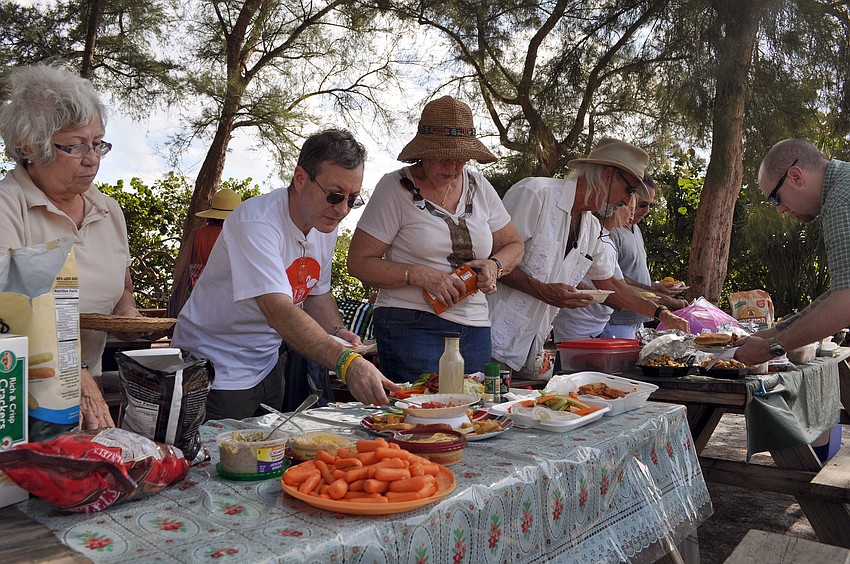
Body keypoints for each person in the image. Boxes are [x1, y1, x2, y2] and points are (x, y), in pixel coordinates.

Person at [172, 129, 401, 419]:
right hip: (218, 366)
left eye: (352, 199)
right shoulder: (257, 222)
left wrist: (338, 331)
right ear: (301, 178)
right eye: (334, 196)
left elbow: (317, 293)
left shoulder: (323, 224)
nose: (342, 210)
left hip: (267, 363)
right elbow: (278, 311)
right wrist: (345, 362)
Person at [0, 63, 139, 429]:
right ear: (29, 146)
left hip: (84, 379)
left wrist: (129, 316)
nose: (92, 158)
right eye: (74, 146)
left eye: (97, 144)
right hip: (15, 393)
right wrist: (72, 371)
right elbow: (9, 314)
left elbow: (122, 284)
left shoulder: (107, 209)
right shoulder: (7, 205)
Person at [347, 96, 524, 383]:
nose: (453, 168)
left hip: (475, 326)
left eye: (461, 159)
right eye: (443, 158)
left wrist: (495, 266)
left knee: (474, 416)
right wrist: (420, 275)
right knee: (423, 414)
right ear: (424, 152)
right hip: (411, 324)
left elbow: (514, 245)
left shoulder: (480, 186)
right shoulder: (394, 188)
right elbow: (358, 262)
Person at [488, 137, 690, 377]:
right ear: (608, 175)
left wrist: (661, 313)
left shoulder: (591, 227)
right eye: (629, 190)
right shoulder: (535, 193)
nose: (628, 201)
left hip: (529, 349)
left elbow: (613, 285)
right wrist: (544, 291)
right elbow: (494, 259)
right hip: (488, 338)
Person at [736, 138, 850, 364]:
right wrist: (776, 332)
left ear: (796, 176)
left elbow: (846, 299)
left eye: (775, 198)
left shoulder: (840, 202)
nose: (779, 210)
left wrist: (773, 347)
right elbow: (841, 289)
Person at [601, 175, 688, 338]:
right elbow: (613, 279)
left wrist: (655, 286)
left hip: (639, 319)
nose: (646, 210)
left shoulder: (637, 230)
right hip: (617, 322)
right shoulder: (612, 232)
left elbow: (631, 272)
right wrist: (661, 300)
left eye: (650, 206)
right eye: (642, 204)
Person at [552, 197, 636, 342]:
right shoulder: (598, 237)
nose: (632, 216)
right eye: (630, 209)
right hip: (578, 329)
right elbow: (617, 291)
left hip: (590, 327)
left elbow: (619, 287)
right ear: (616, 207)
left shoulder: (606, 239)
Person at [168, 188, 243, 319]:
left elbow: (184, 265)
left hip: (199, 288)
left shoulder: (197, 234)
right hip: (230, 292)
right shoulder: (240, 236)